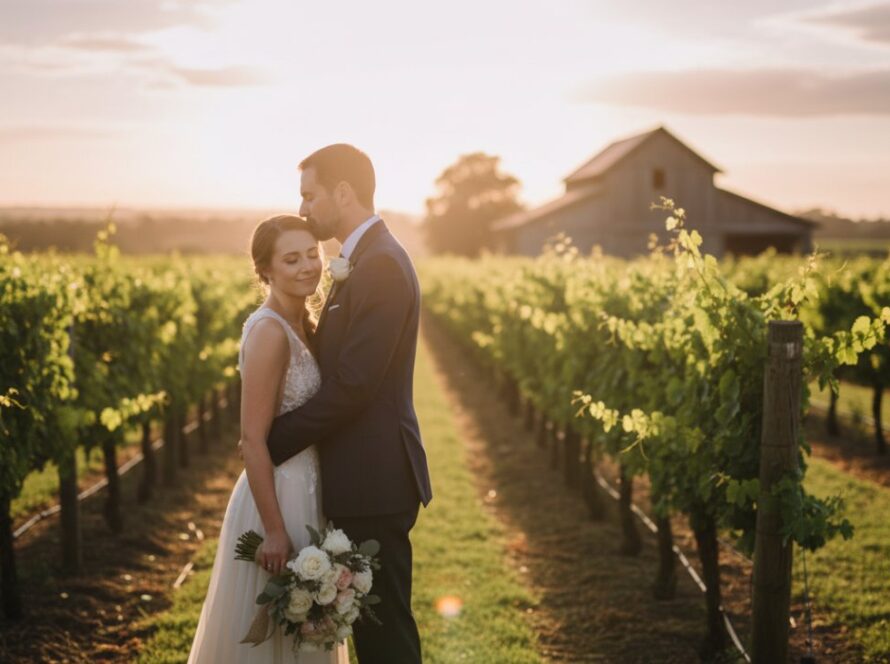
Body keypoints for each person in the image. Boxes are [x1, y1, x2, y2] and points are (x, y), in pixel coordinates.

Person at [263, 144, 433, 664]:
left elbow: (355, 384)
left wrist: (276, 438)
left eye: (309, 195)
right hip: (363, 476)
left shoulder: (380, 264)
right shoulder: (363, 258)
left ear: (343, 192)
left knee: (385, 633)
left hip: (375, 480)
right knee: (371, 627)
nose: (303, 207)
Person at [188, 214, 348, 664]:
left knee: (305, 635)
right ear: (265, 271)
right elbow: (252, 440)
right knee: (275, 637)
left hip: (310, 490)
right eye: (291, 259)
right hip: (278, 497)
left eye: (312, 255)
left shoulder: (304, 324)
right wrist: (275, 531)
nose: (307, 267)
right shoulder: (269, 332)